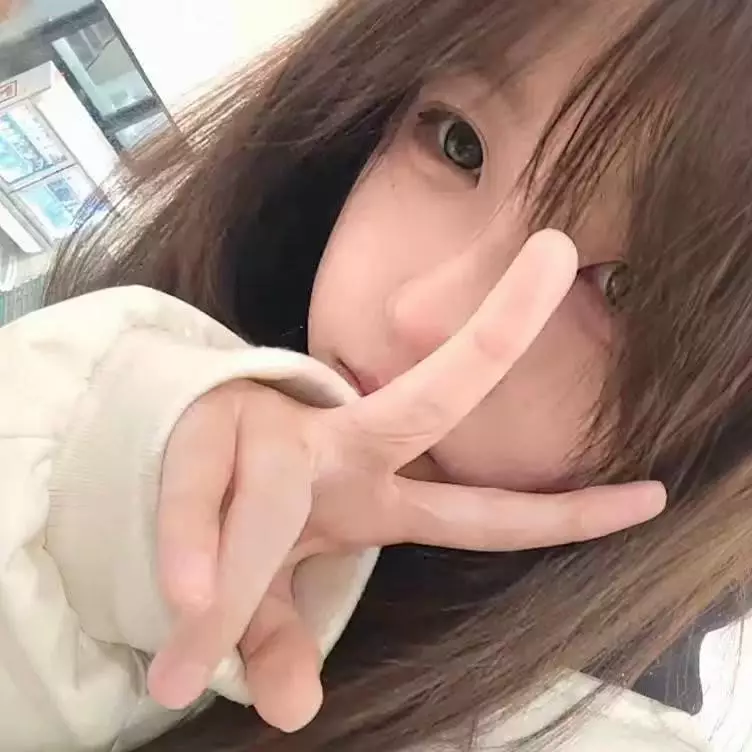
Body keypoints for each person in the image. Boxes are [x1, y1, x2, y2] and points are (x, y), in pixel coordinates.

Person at [1, 0, 750, 749]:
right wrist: (100, 498)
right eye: (459, 145)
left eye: (623, 290)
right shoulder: (128, 351)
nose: (423, 315)